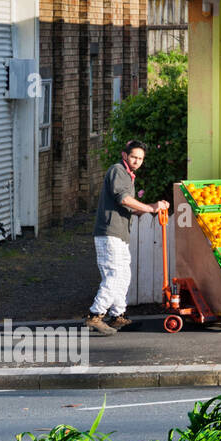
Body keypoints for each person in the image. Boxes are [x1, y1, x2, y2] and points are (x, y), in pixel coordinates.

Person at [87, 140, 169, 336]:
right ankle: (94, 315)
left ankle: (117, 316)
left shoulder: (127, 176)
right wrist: (150, 207)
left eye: (140, 159)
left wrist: (153, 207)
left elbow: (130, 206)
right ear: (125, 156)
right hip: (109, 232)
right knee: (114, 275)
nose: (137, 161)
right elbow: (123, 199)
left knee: (124, 275)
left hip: (120, 233)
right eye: (134, 157)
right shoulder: (117, 170)